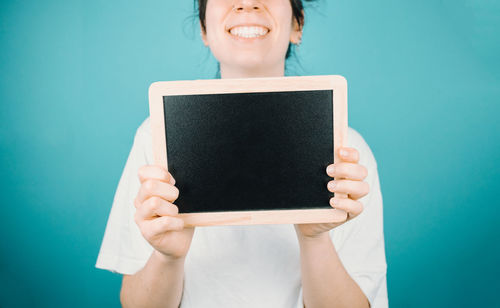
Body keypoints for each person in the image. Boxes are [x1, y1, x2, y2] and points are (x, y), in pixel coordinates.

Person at [96, 0, 388, 307]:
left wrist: (315, 238)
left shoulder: (347, 159)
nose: (247, 3)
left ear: (297, 26)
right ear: (204, 30)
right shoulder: (155, 137)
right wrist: (168, 257)